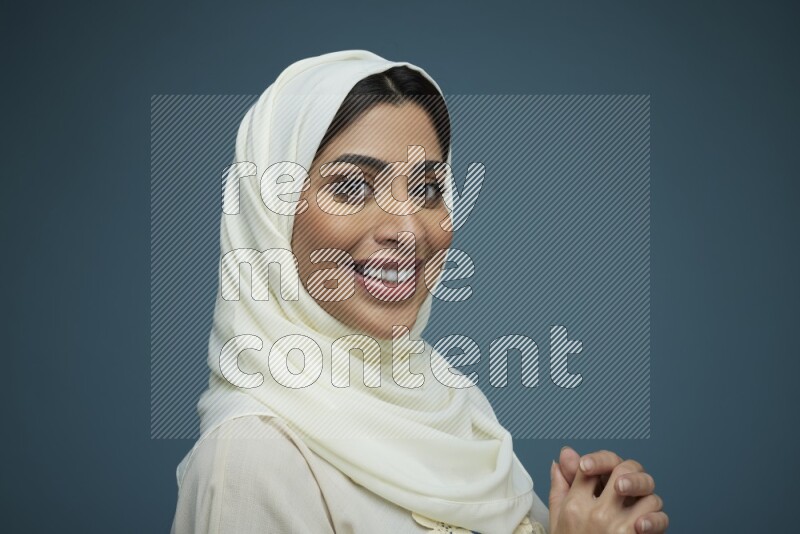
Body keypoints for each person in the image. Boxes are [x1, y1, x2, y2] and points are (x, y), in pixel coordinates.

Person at [171, 50, 668, 534]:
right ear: (269, 219)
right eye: (351, 188)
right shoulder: (252, 458)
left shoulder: (455, 409)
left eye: (428, 189)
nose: (408, 228)